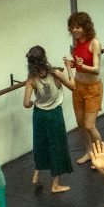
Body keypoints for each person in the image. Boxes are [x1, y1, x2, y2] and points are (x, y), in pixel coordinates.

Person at [23, 45, 75, 193]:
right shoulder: (56, 73)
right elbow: (73, 86)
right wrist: (69, 67)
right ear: (45, 58)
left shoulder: (31, 79)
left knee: (40, 144)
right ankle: (55, 185)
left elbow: (26, 103)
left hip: (39, 115)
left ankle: (36, 175)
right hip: (54, 115)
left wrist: (32, 103)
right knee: (56, 146)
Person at [64, 11, 103, 165]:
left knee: (89, 125)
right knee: (81, 124)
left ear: (85, 27)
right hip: (78, 87)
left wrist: (82, 66)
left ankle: (100, 156)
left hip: (92, 89)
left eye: (78, 27)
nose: (75, 30)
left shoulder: (94, 43)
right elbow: (79, 64)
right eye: (72, 27)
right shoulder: (77, 43)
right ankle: (89, 152)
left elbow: (96, 69)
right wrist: (72, 64)